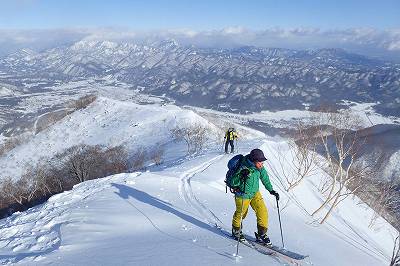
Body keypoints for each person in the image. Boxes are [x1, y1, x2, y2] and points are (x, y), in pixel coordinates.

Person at [230, 148, 279, 246]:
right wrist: (241, 175)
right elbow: (233, 182)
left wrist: (271, 190)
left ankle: (262, 233)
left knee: (262, 211)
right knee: (241, 213)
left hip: (255, 193)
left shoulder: (259, 167)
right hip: (242, 194)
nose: (262, 164)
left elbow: (265, 178)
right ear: (253, 161)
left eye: (262, 161)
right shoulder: (243, 167)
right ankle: (236, 231)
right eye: (260, 161)